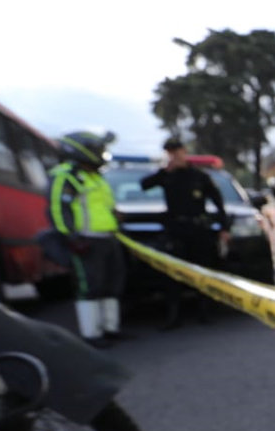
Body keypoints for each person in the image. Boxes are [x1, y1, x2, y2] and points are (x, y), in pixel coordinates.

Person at [140, 138, 230, 328]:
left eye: (177, 151)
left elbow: (218, 201)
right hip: (175, 231)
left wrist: (224, 228)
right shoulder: (166, 175)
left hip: (198, 229)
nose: (174, 155)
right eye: (170, 152)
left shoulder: (199, 176)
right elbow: (144, 185)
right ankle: (174, 315)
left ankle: (204, 311)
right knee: (173, 273)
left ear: (184, 151)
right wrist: (164, 171)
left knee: (202, 270)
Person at [48, 130, 126, 347]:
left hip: (108, 238)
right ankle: (92, 335)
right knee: (90, 287)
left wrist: (116, 216)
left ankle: (111, 328)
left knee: (112, 284)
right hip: (86, 240)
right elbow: (58, 209)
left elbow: (104, 205)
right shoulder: (66, 176)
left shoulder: (96, 177)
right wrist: (71, 237)